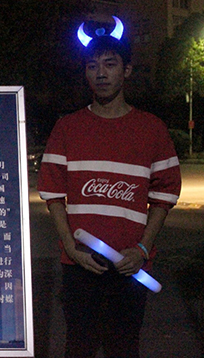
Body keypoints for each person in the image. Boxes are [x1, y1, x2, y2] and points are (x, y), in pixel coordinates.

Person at [37, 20, 182, 357]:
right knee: (78, 347)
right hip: (79, 266)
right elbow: (53, 194)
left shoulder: (152, 129)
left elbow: (164, 197)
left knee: (125, 348)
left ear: (126, 70)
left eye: (110, 64)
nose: (100, 73)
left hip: (130, 267)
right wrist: (70, 247)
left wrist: (142, 249)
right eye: (92, 66)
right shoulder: (67, 127)